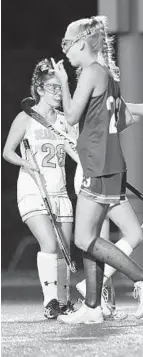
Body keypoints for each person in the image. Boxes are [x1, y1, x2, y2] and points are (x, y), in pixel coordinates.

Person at [50, 15, 143, 324]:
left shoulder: (91, 73)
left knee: (84, 238)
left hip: (98, 163)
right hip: (105, 162)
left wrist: (63, 84)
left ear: (81, 43)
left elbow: (70, 116)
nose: (65, 51)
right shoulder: (106, 74)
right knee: (92, 235)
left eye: (66, 43)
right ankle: (93, 307)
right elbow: (128, 113)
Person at [71, 93, 143, 320]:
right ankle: (102, 300)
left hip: (106, 174)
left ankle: (93, 301)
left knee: (111, 238)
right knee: (94, 240)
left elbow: (141, 108)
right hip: (94, 175)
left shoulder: (108, 104)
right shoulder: (89, 105)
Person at [3, 59, 77, 319]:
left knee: (63, 249)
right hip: (33, 189)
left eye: (61, 88)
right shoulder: (25, 117)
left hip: (59, 190)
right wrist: (26, 163)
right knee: (48, 243)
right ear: (40, 88)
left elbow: (73, 150)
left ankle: (65, 302)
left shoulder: (65, 121)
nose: (58, 93)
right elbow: (7, 152)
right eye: (53, 88)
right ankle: (51, 302)